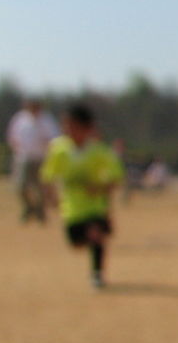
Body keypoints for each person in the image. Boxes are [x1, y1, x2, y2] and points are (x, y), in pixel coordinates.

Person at [40, 103, 124, 288]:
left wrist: (101, 188)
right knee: (76, 243)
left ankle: (97, 274)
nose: (67, 129)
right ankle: (97, 238)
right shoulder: (59, 150)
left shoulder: (98, 151)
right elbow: (47, 176)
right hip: (72, 208)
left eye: (72, 125)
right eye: (65, 125)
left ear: (86, 128)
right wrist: (51, 197)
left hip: (95, 206)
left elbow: (116, 177)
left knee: (95, 234)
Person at [6, 98, 60, 223]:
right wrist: (16, 148)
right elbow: (12, 136)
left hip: (42, 158)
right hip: (23, 157)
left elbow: (54, 139)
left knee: (41, 188)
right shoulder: (20, 119)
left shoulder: (47, 120)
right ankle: (29, 207)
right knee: (20, 186)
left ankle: (40, 212)